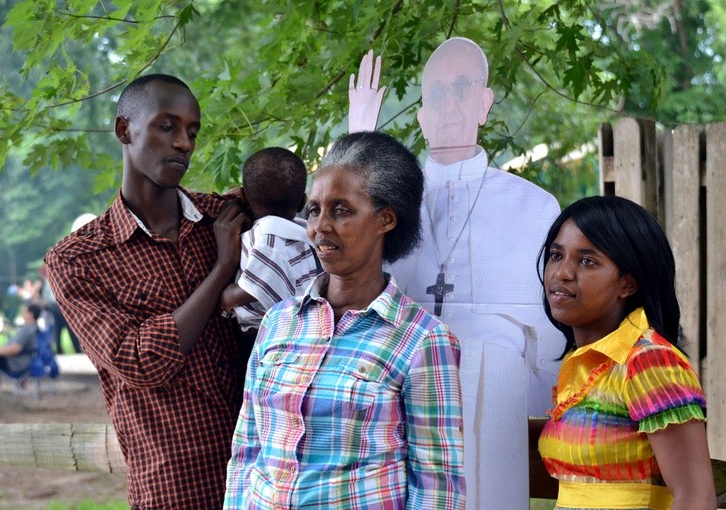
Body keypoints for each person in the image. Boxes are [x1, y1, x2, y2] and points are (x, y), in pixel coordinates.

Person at [349, 39, 565, 508]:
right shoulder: (382, 202)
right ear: (422, 115)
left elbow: (551, 337)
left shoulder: (533, 206)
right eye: (437, 92)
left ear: (484, 103)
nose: (450, 103)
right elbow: (343, 267)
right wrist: (357, 152)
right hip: (396, 385)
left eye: (463, 88)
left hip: (497, 393)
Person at [224, 131, 466, 508]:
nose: (320, 226)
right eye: (315, 210)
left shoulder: (423, 340)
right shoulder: (278, 322)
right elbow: (247, 450)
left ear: (385, 219)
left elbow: (437, 483)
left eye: (341, 210)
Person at [43, 74, 250, 509]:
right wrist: (222, 269)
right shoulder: (78, 259)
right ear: (124, 130)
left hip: (264, 476)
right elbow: (139, 361)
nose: (184, 143)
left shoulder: (226, 219)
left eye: (192, 131)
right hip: (175, 488)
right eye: (167, 126)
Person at [537, 195, 716, 510]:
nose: (562, 273)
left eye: (587, 260)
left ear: (628, 284)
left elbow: (695, 498)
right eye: (556, 254)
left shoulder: (649, 361)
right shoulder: (584, 365)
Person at [219, 147, 318, 343]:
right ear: (302, 203)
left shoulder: (268, 237)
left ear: (244, 197)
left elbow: (242, 293)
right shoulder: (301, 230)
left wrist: (225, 294)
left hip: (268, 336)